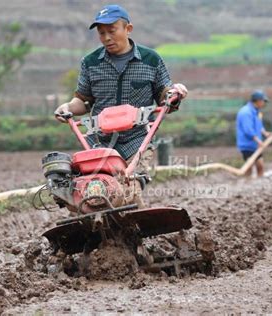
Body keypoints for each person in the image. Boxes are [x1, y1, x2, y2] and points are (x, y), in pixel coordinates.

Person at [54, 4, 187, 205]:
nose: (107, 38)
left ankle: (132, 229)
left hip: (137, 138)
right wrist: (67, 108)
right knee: (92, 190)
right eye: (102, 33)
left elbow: (164, 95)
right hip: (100, 140)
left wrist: (174, 93)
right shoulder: (90, 62)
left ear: (128, 29)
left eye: (112, 31)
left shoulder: (151, 59)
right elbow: (83, 100)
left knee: (130, 186)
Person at [236, 90, 272, 177]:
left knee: (260, 166)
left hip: (255, 145)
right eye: (263, 101)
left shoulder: (256, 112)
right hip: (247, 145)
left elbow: (259, 125)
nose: (264, 104)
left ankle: (258, 184)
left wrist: (265, 133)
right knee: (249, 167)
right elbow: (248, 130)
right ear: (258, 101)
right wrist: (259, 141)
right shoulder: (246, 112)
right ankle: (247, 183)